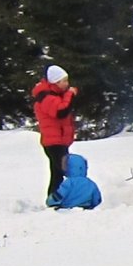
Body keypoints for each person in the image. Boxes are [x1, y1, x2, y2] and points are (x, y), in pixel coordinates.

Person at [31, 64, 78, 201]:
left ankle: (55, 197)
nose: (67, 84)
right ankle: (57, 198)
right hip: (54, 142)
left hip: (59, 140)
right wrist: (69, 95)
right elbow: (60, 112)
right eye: (64, 81)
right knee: (62, 171)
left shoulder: (55, 96)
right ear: (55, 82)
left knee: (58, 172)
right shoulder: (46, 97)